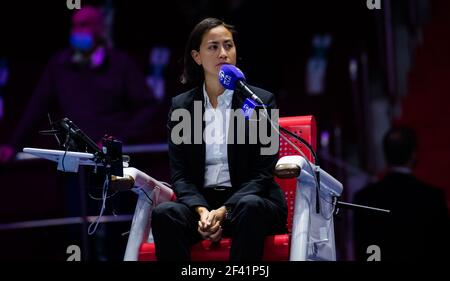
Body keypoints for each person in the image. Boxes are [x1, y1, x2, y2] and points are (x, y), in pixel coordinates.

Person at [151, 17, 287, 261]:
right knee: (165, 213)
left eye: (228, 45)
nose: (223, 53)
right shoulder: (182, 107)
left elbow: (263, 173)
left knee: (250, 207)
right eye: (213, 47)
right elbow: (180, 175)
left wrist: (225, 211)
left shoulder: (260, 102)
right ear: (197, 57)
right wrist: (203, 211)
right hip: (202, 204)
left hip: (248, 202)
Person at [0, 5, 156, 163]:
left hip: (111, 158)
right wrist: (14, 144)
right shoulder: (59, 64)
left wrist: (120, 137)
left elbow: (148, 106)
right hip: (74, 158)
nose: (77, 31)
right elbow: (36, 108)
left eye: (84, 25)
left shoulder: (120, 63)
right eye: (74, 26)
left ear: (100, 29)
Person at [353, 126, 449, 261]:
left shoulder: (365, 198)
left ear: (386, 155)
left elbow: (364, 250)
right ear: (413, 154)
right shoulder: (433, 197)